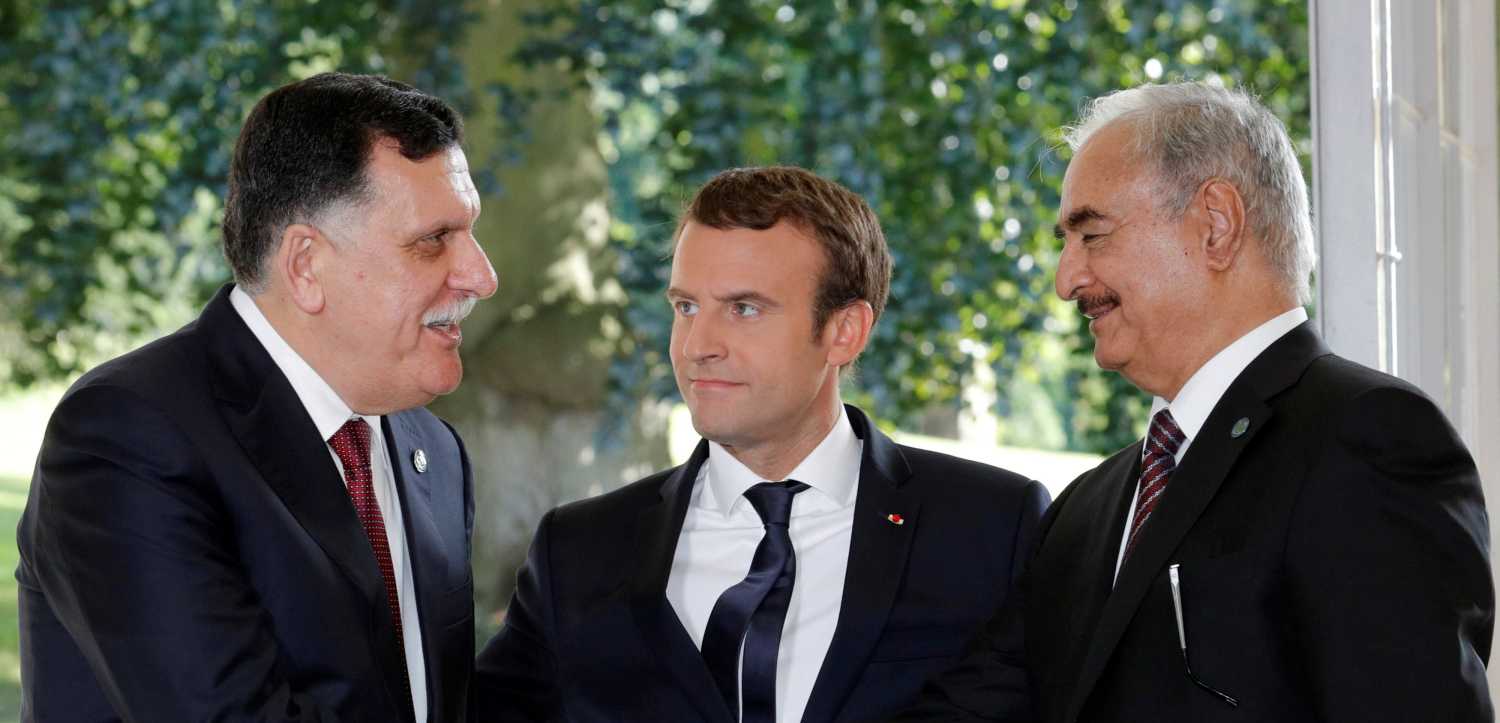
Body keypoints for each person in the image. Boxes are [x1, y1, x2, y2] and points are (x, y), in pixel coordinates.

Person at [902, 81, 1493, 722]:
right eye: (1065, 244)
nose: (1065, 280)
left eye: (1092, 234)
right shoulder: (1088, 507)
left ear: (1215, 225)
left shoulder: (1366, 436)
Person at [473, 166, 1050, 722]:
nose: (698, 344)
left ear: (844, 331)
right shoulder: (576, 551)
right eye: (686, 307)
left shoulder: (992, 528)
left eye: (744, 309)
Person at [17, 72, 498, 722]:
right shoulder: (128, 438)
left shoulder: (433, 452)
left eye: (468, 232)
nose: (482, 275)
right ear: (306, 266)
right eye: (432, 240)